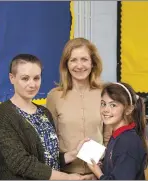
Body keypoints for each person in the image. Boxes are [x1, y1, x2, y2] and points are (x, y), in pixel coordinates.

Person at [0, 54, 91, 180]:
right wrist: (67, 177)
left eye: (36, 78)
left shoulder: (44, 112)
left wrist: (71, 155)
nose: (32, 84)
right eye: (25, 78)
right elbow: (20, 163)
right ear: (12, 78)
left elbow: (46, 158)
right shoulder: (2, 114)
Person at [46, 38, 112, 177]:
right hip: (66, 175)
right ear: (66, 64)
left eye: (84, 59)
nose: (79, 65)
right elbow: (49, 141)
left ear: (93, 63)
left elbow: (109, 136)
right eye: (73, 60)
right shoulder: (54, 96)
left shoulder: (105, 93)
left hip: (98, 174)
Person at [87, 82, 148, 179]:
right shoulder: (117, 135)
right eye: (103, 104)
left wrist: (98, 173)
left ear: (128, 109)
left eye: (113, 105)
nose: (105, 110)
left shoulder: (128, 142)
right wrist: (102, 168)